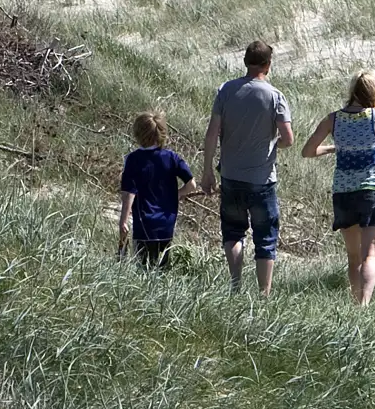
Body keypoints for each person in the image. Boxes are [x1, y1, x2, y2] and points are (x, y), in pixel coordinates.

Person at [202, 41, 294, 296]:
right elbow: (288, 139)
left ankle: (236, 286)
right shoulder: (275, 96)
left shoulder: (226, 90)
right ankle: (264, 293)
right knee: (265, 238)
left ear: (245, 62)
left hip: (231, 176)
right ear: (268, 65)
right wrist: (273, 144)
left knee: (233, 232)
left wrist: (207, 170)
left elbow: (212, 133)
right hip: (262, 179)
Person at [302, 70, 375, 307]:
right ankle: (364, 305)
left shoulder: (333, 119)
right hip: (371, 189)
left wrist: (335, 148)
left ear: (352, 90)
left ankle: (355, 303)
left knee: (353, 257)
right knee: (370, 254)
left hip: (343, 192)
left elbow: (308, 151)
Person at [119, 111, 195, 270]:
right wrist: (176, 195)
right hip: (167, 223)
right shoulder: (172, 157)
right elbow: (192, 184)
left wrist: (123, 221)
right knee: (162, 268)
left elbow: (129, 193)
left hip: (144, 223)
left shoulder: (133, 159)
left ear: (138, 133)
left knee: (143, 269)